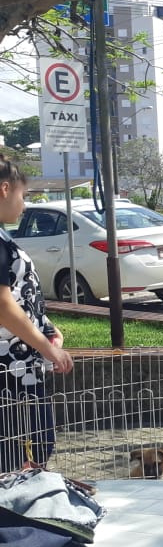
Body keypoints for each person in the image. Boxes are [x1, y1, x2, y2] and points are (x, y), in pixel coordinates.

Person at [0, 155, 74, 472]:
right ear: (4, 189)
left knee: (28, 449)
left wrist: (46, 328)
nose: (25, 206)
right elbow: (2, 304)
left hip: (18, 364)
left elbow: (18, 296)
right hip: (9, 368)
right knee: (22, 453)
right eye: (23, 196)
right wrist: (48, 348)